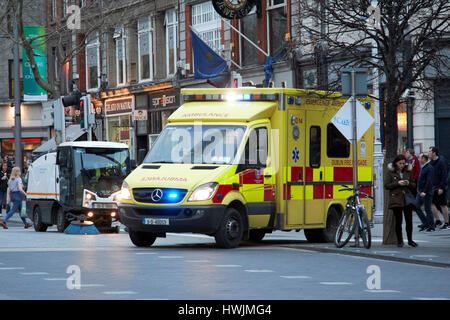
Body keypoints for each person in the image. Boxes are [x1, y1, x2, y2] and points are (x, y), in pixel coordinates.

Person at [384, 154, 418, 247]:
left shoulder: (408, 171)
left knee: (409, 220)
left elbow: (414, 184)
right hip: (396, 198)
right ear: (396, 163)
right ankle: (400, 240)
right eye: (400, 163)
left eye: (403, 163)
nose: (402, 165)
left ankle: (410, 240)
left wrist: (408, 183)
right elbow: (387, 185)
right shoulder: (391, 172)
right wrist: (397, 183)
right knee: (398, 221)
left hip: (406, 198)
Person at [428, 146, 449, 230]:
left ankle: (447, 222)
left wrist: (441, 187)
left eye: (430, 151)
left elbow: (444, 175)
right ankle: (437, 220)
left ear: (434, 153)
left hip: (440, 186)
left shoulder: (441, 161)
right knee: (432, 203)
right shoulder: (431, 162)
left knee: (443, 204)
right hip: (433, 186)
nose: (428, 153)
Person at [415, 153, 435, 232]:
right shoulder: (423, 167)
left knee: (427, 208)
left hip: (426, 191)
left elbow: (429, 181)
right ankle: (425, 222)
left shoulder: (429, 167)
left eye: (420, 158)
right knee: (416, 206)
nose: (418, 159)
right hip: (420, 191)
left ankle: (431, 226)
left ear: (424, 159)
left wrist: (425, 191)